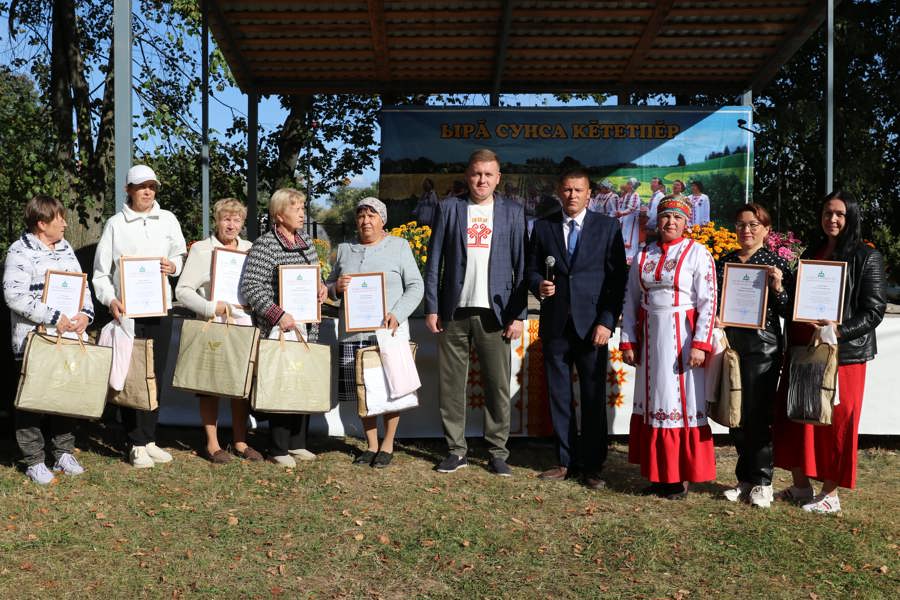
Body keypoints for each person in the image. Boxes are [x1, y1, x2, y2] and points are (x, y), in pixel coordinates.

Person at [772, 190, 886, 513]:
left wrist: (838, 330)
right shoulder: (812, 253)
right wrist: (781, 290)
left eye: (839, 214)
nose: (831, 219)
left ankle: (830, 495)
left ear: (850, 217)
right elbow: (794, 306)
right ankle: (800, 487)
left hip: (844, 355)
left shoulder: (867, 257)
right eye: (826, 213)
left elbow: (874, 311)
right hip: (804, 348)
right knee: (799, 415)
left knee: (837, 424)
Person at [424, 148, 527, 477]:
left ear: (498, 178)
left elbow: (522, 268)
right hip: (454, 311)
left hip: (495, 315)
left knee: (497, 385)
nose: (481, 180)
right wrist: (432, 307)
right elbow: (434, 262)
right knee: (452, 385)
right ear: (468, 176)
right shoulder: (449, 208)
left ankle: (497, 451)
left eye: (488, 174)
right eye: (476, 173)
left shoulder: (512, 212)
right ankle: (456, 450)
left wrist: (519, 314)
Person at [525, 170, 627, 489]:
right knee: (559, 395)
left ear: (589, 194)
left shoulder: (608, 227)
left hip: (592, 327)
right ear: (559, 191)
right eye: (567, 189)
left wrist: (607, 321)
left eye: (578, 190)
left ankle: (593, 466)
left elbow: (617, 280)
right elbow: (530, 268)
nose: (572, 195)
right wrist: (537, 284)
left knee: (594, 397)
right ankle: (565, 461)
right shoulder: (543, 227)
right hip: (556, 325)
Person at [620, 196, 718, 500]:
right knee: (654, 405)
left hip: (683, 340)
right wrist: (628, 340)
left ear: (687, 222)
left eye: (677, 217)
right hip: (651, 339)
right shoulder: (642, 256)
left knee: (680, 405)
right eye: (665, 217)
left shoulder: (697, 253)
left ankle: (679, 479)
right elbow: (630, 299)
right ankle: (658, 475)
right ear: (657, 220)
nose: (670, 222)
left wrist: (700, 344)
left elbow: (708, 300)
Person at [93, 165, 186, 468]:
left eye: (152, 186)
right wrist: (111, 300)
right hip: (129, 312)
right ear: (128, 189)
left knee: (155, 374)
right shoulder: (115, 224)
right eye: (141, 186)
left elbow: (180, 254)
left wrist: (173, 266)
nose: (148, 192)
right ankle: (134, 442)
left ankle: (150, 438)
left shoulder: (168, 219)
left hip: (160, 308)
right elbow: (100, 273)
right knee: (132, 375)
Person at [326, 197, 424, 468]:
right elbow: (329, 287)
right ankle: (370, 445)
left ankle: (388, 444)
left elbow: (416, 286)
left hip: (388, 332)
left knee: (391, 389)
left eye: (371, 215)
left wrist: (398, 314)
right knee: (364, 390)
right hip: (353, 333)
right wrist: (336, 288)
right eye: (361, 216)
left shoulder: (399, 246)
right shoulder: (345, 249)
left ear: (383, 219)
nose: (365, 221)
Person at [3, 196, 94, 484]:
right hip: (34, 341)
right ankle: (34, 460)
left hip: (67, 338)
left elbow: (83, 284)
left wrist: (85, 315)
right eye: (59, 219)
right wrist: (54, 317)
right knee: (31, 401)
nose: (65, 223)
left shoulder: (65, 248)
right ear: (42, 224)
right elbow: (14, 296)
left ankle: (63, 452)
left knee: (64, 397)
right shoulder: (19, 252)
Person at [240, 188, 327, 468]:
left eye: (303, 207)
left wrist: (322, 289)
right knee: (282, 382)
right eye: (296, 208)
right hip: (281, 329)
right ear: (279, 215)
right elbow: (251, 287)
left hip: (307, 328)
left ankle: (298, 442)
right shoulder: (265, 245)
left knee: (302, 381)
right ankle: (278, 448)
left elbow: (317, 278)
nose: (303, 213)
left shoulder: (307, 243)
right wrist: (278, 315)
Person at [715, 203, 793, 508]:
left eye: (753, 225)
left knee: (758, 414)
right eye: (740, 224)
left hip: (764, 345)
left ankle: (763, 482)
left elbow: (788, 311)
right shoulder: (725, 262)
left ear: (766, 230)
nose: (746, 230)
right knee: (734, 412)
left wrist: (778, 287)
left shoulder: (776, 263)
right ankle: (744, 479)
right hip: (731, 342)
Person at [175, 198, 263, 464]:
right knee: (210, 385)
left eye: (237, 220)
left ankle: (240, 441)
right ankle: (212, 444)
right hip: (213, 323)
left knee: (241, 385)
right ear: (217, 220)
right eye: (226, 219)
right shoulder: (202, 249)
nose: (231, 225)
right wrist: (211, 306)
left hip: (244, 323)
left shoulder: (250, 249)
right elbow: (182, 290)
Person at [614, 177, 641, 264]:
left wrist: (621, 213)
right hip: (625, 220)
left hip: (631, 220)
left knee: (631, 237)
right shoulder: (627, 195)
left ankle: (631, 258)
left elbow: (631, 209)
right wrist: (620, 214)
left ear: (632, 186)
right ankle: (624, 256)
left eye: (629, 183)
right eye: (627, 183)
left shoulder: (635, 195)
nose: (627, 185)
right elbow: (622, 206)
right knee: (624, 236)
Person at [644, 177, 666, 241]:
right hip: (649, 227)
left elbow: (657, 213)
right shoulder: (654, 195)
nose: (652, 184)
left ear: (660, 186)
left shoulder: (661, 196)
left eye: (654, 183)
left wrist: (653, 227)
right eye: (651, 182)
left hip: (654, 229)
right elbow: (650, 211)